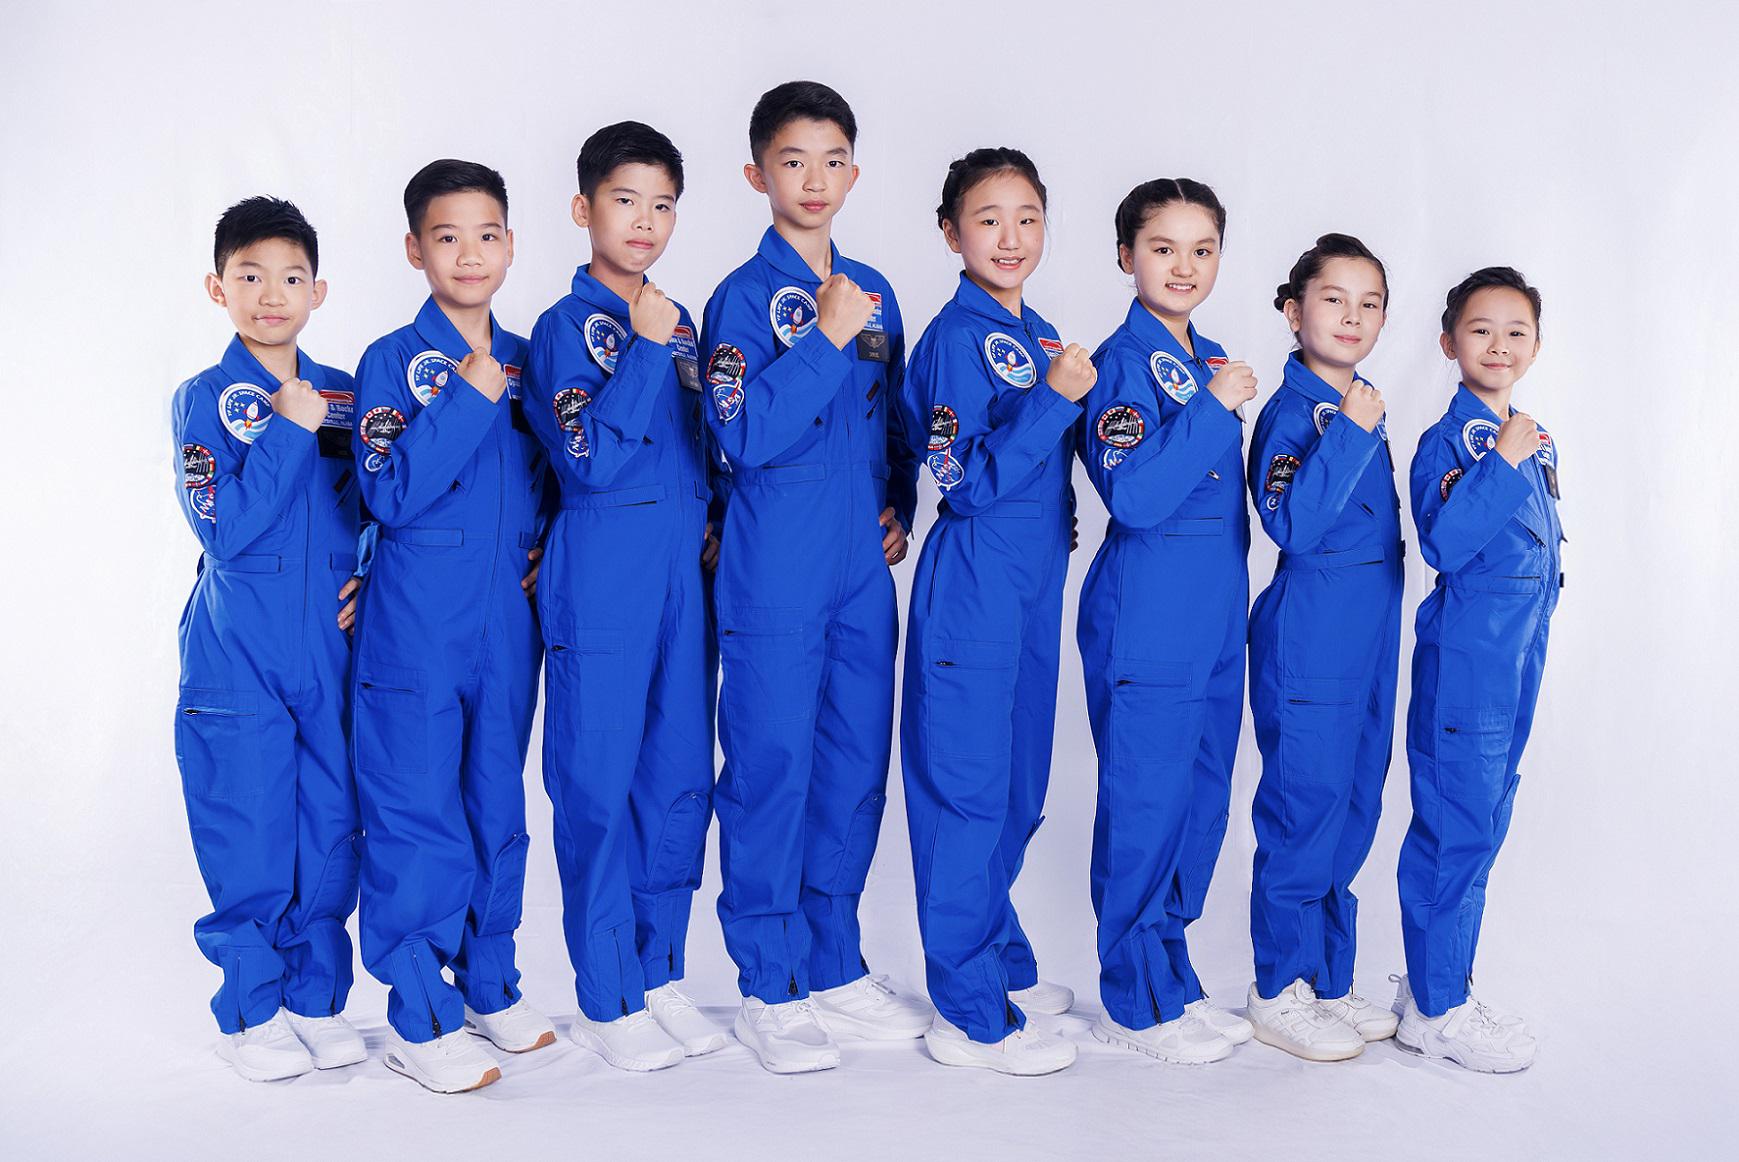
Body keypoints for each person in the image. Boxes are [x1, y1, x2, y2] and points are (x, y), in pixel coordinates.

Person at [699, 80, 929, 1074]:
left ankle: (834, 959)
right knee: (770, 769)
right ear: (757, 175)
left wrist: (900, 506)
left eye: (832, 160)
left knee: (849, 769)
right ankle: (767, 979)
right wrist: (824, 335)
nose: (814, 180)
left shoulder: (874, 288)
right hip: (772, 569)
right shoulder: (737, 300)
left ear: (855, 172)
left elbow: (896, 427)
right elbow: (739, 431)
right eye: (793, 161)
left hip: (854, 571)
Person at [522, 121, 728, 1071]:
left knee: (678, 778)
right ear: (583, 210)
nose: (644, 222)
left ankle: (660, 972)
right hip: (601, 577)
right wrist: (643, 352)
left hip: (680, 580)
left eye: (661, 204)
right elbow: (590, 463)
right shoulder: (565, 331)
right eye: (623, 201)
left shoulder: (679, 320)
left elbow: (702, 449)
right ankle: (607, 995)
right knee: (600, 787)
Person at [350, 159, 556, 1094]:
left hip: (504, 621)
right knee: (415, 809)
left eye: (486, 234)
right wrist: (470, 395)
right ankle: (416, 1014)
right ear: (413, 249)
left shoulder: (531, 358)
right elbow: (388, 491)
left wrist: (549, 550)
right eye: (446, 236)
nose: (468, 254)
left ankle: (487, 982)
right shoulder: (391, 361)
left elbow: (559, 479)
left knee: (494, 806)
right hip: (416, 621)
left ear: (511, 244)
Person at [899, 147, 1093, 1076]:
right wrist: (1054, 404)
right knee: (969, 792)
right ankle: (968, 1011)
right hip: (972, 586)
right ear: (950, 233)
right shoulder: (950, 339)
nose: (1009, 238)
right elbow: (965, 482)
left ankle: (1001, 958)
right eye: (987, 219)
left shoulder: (1042, 328)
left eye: (1026, 218)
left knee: (1018, 787)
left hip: (1030, 590)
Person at [170, 195, 368, 1081]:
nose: (271, 295)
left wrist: (371, 572)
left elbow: (376, 506)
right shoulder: (202, 401)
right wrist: (287, 425)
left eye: (291, 278)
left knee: (329, 822)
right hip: (238, 647)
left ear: (317, 292)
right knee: (249, 823)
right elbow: (226, 530)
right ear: (218, 289)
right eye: (249, 277)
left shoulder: (347, 399)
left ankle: (316, 999)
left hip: (328, 644)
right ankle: (251, 1010)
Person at [1074, 179, 1258, 1064]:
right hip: (1148, 606)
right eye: (1162, 248)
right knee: (1146, 802)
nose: (1183, 267)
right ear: (1125, 257)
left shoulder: (1208, 354)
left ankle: (1171, 974)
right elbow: (1137, 495)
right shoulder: (1120, 363)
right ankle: (1132, 999)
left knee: (1199, 798)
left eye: (1201, 249)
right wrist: (1216, 407)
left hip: (1216, 607)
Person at [1392, 267, 1558, 1073]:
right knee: (1456, 829)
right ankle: (1436, 1008)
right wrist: (1501, 461)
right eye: (1480, 329)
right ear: (1448, 342)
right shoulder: (1453, 443)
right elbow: (1445, 545)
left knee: (1482, 825)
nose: (1498, 345)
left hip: (1513, 661)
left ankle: (1439, 982)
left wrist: (1514, 451)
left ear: (1535, 344)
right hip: (1467, 669)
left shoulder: (1525, 434)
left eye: (1515, 331)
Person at [1244, 233, 1404, 1062]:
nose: (1351, 316)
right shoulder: (1292, 412)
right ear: (1291, 310)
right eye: (1332, 298)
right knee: (1303, 808)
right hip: (1308, 640)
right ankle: (1277, 986)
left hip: (1366, 639)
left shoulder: (1361, 403)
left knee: (1352, 807)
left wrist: (1355, 422)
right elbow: (1294, 525)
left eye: (1368, 302)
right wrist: (1348, 430)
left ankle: (1326, 979)